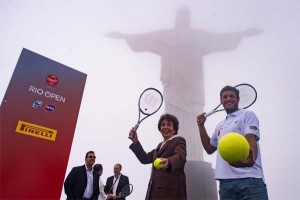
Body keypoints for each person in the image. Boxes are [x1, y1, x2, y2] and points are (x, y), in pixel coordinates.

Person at [106, 6, 263, 161]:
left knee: (193, 127)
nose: (182, 19)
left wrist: (240, 34)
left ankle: (194, 157)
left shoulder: (198, 37)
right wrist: (125, 36)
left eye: (185, 16)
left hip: (193, 89)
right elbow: (145, 39)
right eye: (180, 16)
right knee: (172, 116)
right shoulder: (166, 36)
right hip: (173, 86)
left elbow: (219, 39)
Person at [196, 86, 269, 200]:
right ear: (221, 101)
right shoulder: (220, 125)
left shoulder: (248, 115)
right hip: (226, 184)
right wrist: (201, 126)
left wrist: (250, 159)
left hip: (250, 179)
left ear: (238, 99)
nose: (228, 99)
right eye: (225, 97)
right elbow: (209, 148)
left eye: (232, 96)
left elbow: (250, 137)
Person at [129, 113, 187, 200]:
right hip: (154, 194)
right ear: (160, 129)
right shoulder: (159, 146)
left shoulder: (179, 141)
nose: (165, 127)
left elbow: (180, 157)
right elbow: (144, 158)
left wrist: (169, 162)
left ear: (174, 129)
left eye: (169, 125)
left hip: (171, 195)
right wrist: (135, 141)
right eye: (163, 125)